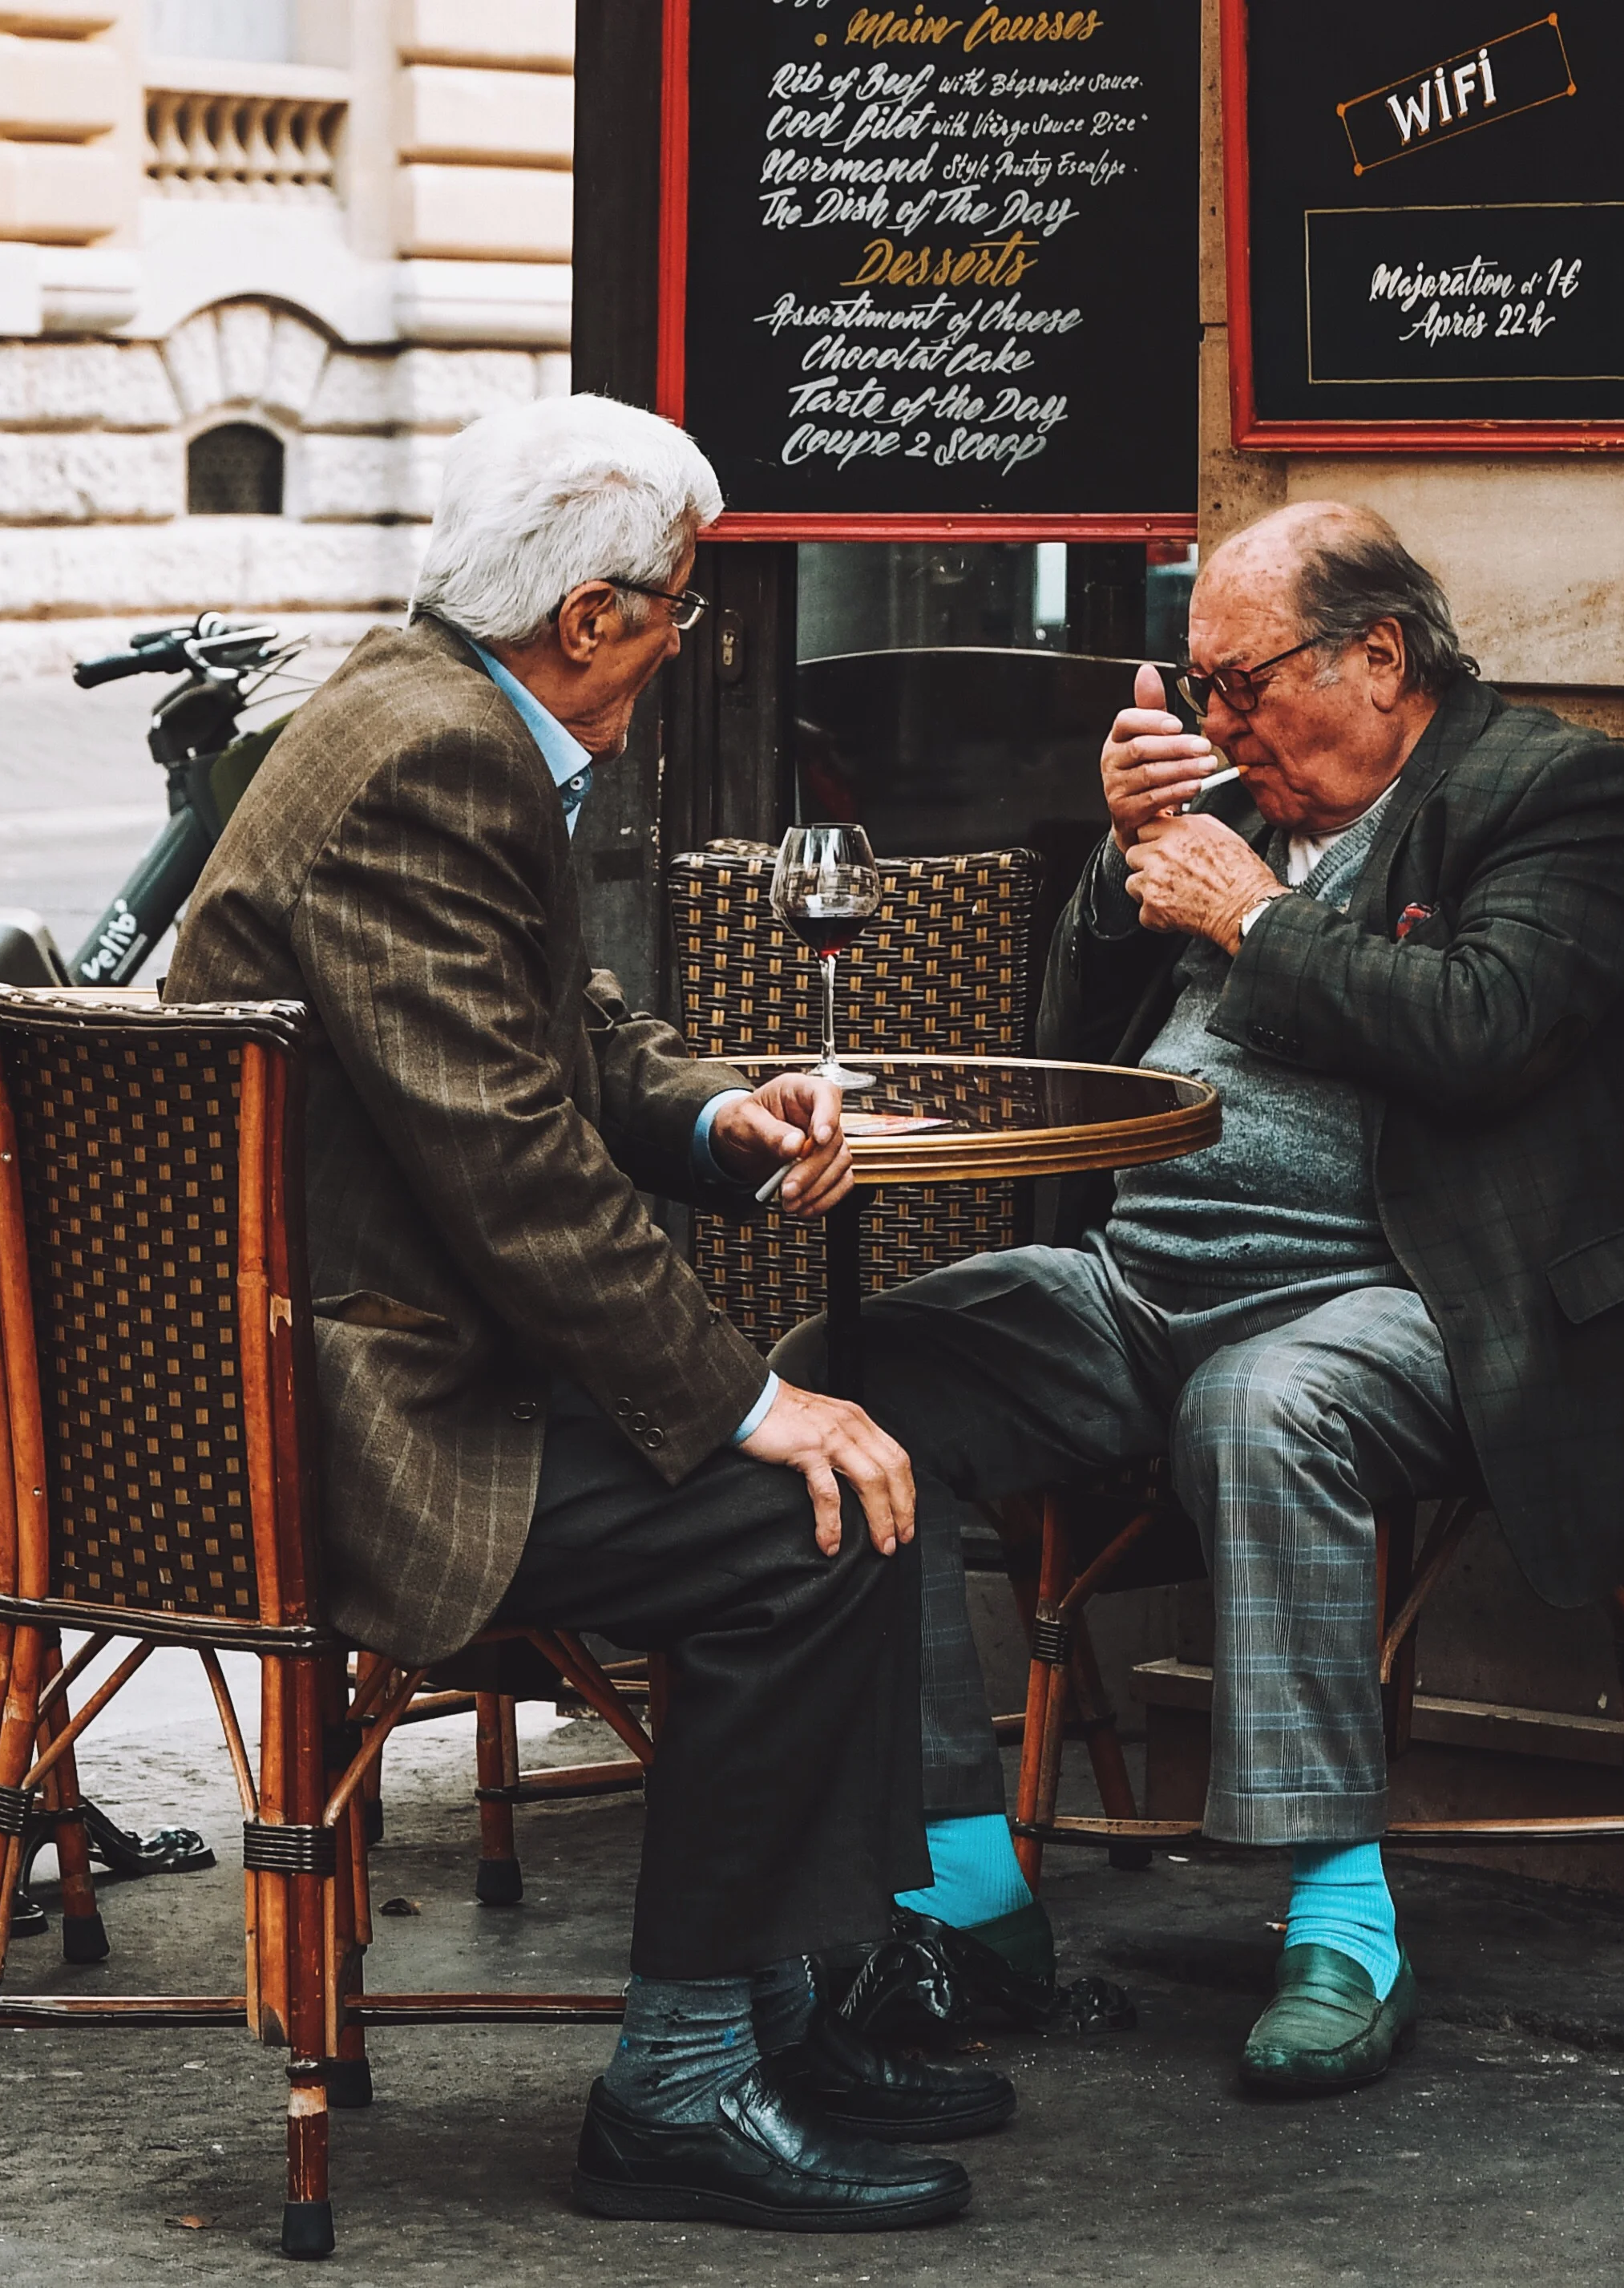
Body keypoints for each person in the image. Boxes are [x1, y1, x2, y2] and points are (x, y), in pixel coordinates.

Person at [165, 394, 1014, 2233]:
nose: (692, 636)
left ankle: (774, 2004)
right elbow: (506, 1157)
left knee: (859, 1478)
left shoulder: (435, 709)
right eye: (685, 603)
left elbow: (566, 1033)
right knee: (810, 1510)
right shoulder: (432, 756)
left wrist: (719, 1115)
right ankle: (688, 2080)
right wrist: (737, 1401)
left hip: (381, 1358)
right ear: (594, 618)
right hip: (358, 1419)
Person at [774, 500, 1624, 2095]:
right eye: (1196, 686)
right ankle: (962, 1876)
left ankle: (1341, 1922)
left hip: (1423, 1294)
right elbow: (1080, 1033)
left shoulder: (1556, 792)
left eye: (1238, 684)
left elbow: (1487, 1027)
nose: (1211, 723)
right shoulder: (1236, 794)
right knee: (848, 1370)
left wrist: (1252, 911)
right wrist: (1112, 870)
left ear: (1378, 655)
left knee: (1267, 1397)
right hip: (1145, 1275)